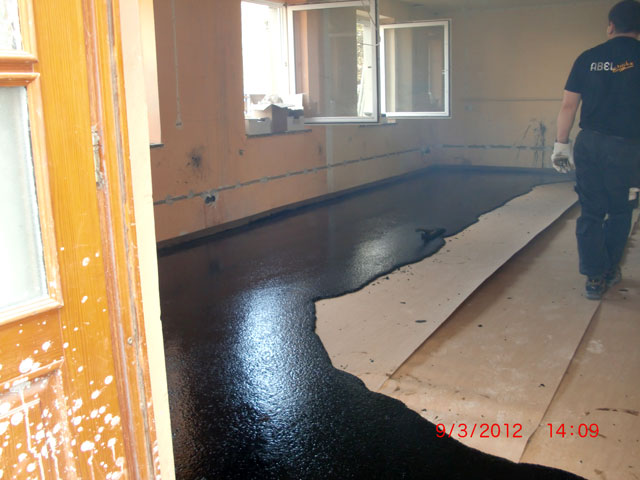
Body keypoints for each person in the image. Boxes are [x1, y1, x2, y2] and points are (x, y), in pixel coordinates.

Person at [551, 0, 640, 300]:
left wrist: (561, 144)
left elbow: (568, 105)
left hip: (589, 144)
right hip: (627, 148)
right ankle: (610, 269)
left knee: (590, 211)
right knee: (620, 211)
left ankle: (593, 278)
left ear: (611, 26)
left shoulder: (588, 58)